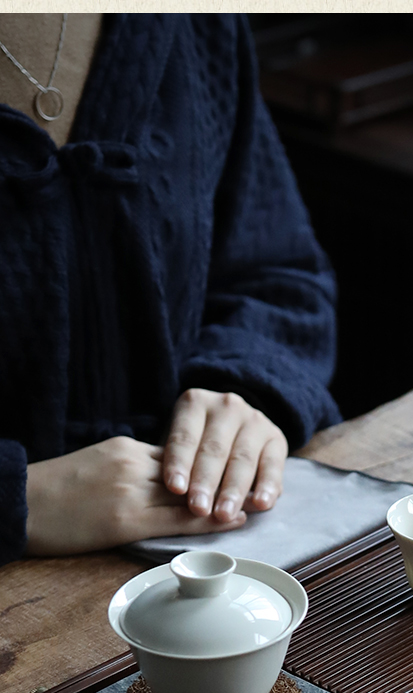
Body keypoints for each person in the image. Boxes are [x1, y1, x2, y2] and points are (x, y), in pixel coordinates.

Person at [0, 14, 340, 567]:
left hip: (209, 562)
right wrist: (20, 499)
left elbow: (279, 273)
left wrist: (243, 391)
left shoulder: (191, 20)